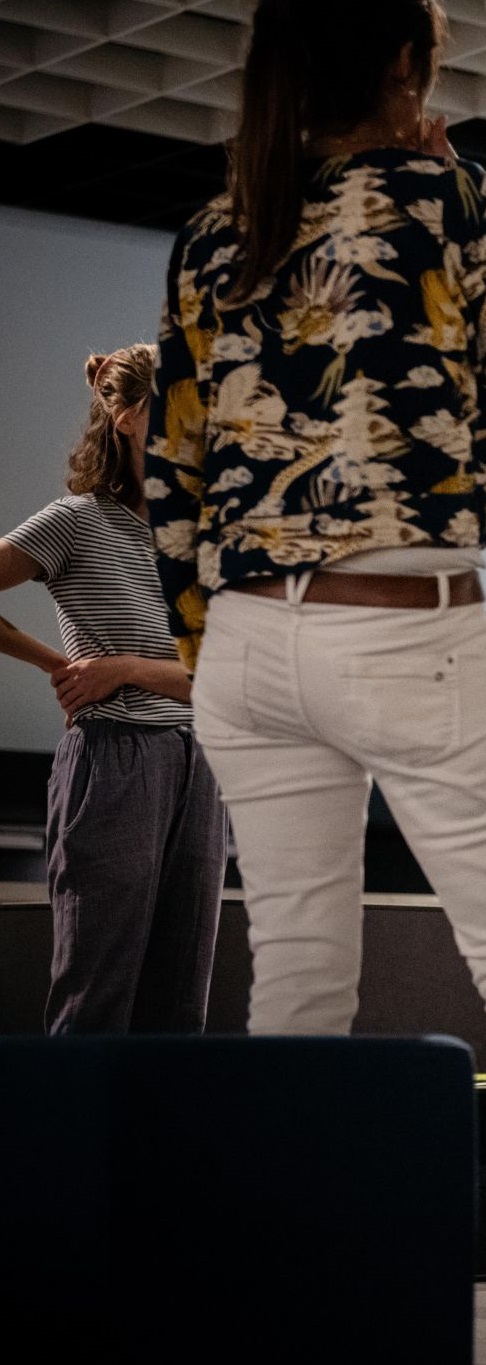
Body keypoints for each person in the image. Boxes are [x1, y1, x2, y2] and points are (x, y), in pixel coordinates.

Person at [141, 4, 486, 1361]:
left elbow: (168, 459)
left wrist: (201, 643)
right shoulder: (438, 190)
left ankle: (282, 1298)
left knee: (297, 980)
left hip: (244, 640)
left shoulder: (216, 227)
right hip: (402, 625)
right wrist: (470, 202)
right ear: (405, 71)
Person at [0, 344, 224, 1035]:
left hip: (202, 763)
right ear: (126, 418)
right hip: (114, 757)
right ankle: (70, 1145)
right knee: (96, 997)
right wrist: (55, 665)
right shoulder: (76, 520)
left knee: (180, 1009)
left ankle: (158, 1148)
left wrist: (123, 666)